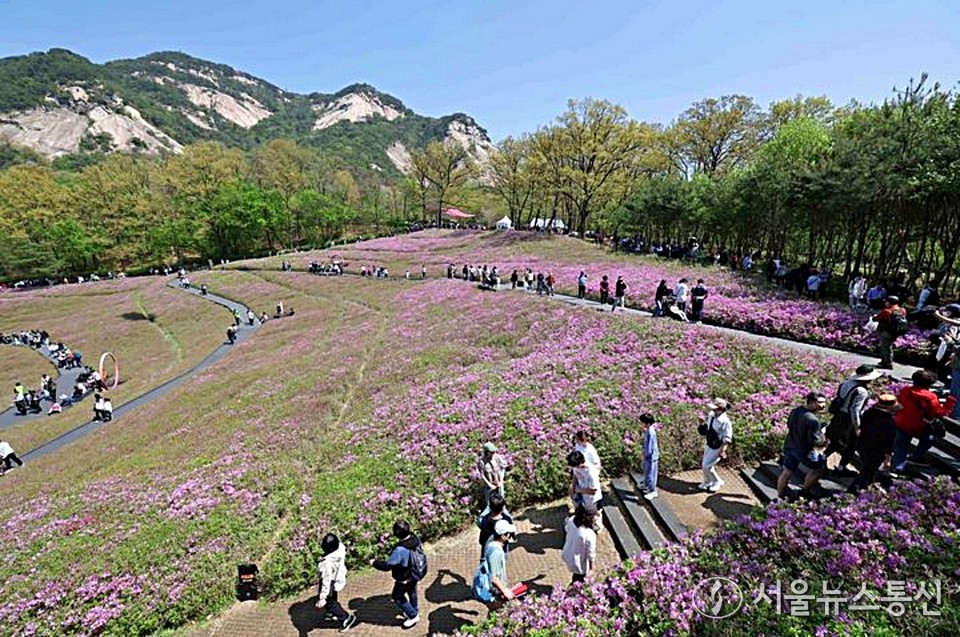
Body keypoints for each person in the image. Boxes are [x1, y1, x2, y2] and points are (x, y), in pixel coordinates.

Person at [891, 370, 957, 473]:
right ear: (929, 384)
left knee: (901, 447)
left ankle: (897, 469)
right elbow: (938, 413)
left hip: (902, 423)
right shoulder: (930, 397)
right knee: (929, 439)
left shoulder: (905, 390)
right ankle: (915, 457)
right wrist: (950, 402)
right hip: (919, 427)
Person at [824, 364, 882, 477]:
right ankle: (840, 468)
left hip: (839, 416)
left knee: (836, 441)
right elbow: (855, 410)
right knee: (850, 445)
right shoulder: (861, 391)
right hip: (848, 420)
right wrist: (857, 427)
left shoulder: (846, 383)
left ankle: (823, 458)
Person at [371, 520, 423, 628]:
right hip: (415, 572)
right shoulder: (414, 538)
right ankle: (414, 609)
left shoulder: (400, 549)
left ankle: (413, 615)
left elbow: (387, 566)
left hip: (404, 577)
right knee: (412, 591)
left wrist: (374, 562)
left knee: (397, 597)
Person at [777, 392, 828, 499]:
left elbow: (789, 425)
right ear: (812, 402)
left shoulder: (796, 410)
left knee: (787, 472)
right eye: (820, 403)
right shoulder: (813, 420)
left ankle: (780, 495)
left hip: (789, 445)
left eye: (824, 402)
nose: (823, 405)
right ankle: (805, 490)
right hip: (804, 450)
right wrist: (823, 434)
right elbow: (815, 441)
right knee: (819, 469)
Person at [847, 394, 901, 494]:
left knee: (867, 466)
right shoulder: (889, 422)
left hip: (862, 445)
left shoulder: (869, 412)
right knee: (868, 470)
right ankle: (853, 489)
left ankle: (870, 482)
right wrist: (888, 459)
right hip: (876, 450)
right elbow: (888, 443)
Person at [316, 533, 358, 632]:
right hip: (339, 576)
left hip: (330, 580)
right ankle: (332, 613)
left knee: (328, 602)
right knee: (333, 595)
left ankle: (346, 618)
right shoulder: (340, 547)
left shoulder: (326, 562)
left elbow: (326, 581)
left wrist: (322, 598)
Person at [483, 519, 519, 606]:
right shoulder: (496, 552)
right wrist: (505, 591)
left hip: (498, 589)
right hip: (497, 591)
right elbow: (494, 578)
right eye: (509, 533)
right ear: (503, 536)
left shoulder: (491, 543)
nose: (511, 535)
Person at [700, 399, 733, 492]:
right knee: (705, 464)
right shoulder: (711, 415)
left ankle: (716, 481)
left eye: (716, 409)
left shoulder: (725, 422)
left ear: (721, 409)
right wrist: (702, 423)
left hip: (717, 446)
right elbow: (707, 428)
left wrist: (723, 450)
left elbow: (727, 438)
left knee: (707, 466)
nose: (714, 410)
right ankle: (707, 482)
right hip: (709, 442)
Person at [561, 506, 597, 585]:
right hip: (579, 561)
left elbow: (566, 529)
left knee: (576, 576)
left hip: (568, 553)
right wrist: (591, 569)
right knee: (579, 579)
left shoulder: (571, 520)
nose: (596, 518)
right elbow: (591, 554)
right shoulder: (590, 534)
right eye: (595, 516)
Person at [873, 296, 905, 370]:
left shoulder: (887, 311)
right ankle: (885, 361)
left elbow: (876, 318)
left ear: (889, 302)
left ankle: (887, 363)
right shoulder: (901, 310)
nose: (885, 303)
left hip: (887, 331)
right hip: (895, 332)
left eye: (886, 302)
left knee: (885, 347)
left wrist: (874, 317)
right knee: (888, 346)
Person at [477, 492, 513, 557]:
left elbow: (480, 522)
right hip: (502, 551)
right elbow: (510, 534)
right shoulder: (507, 519)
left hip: (487, 551)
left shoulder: (485, 520)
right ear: (502, 508)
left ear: (490, 507)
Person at [477, 442, 506, 507]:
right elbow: (482, 475)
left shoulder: (497, 457)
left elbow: (503, 468)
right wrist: (490, 485)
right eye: (492, 452)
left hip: (499, 484)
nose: (493, 453)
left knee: (501, 503)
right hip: (489, 487)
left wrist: (501, 481)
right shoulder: (482, 461)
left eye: (494, 452)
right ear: (487, 452)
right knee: (489, 505)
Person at [639, 414, 659, 499]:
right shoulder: (648, 430)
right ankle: (646, 485)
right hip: (648, 456)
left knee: (651, 473)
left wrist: (646, 455)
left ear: (647, 423)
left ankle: (652, 491)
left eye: (642, 422)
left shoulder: (651, 432)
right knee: (647, 471)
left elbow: (650, 447)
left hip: (651, 457)